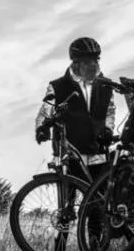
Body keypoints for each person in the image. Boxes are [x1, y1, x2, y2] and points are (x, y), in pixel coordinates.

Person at [35, 37, 117, 181]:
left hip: (99, 154)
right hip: (70, 155)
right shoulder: (58, 86)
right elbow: (46, 108)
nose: (93, 65)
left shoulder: (106, 86)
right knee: (68, 202)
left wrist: (108, 129)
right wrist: (41, 127)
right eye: (87, 62)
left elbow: (110, 111)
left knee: (99, 200)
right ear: (76, 63)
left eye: (95, 61)